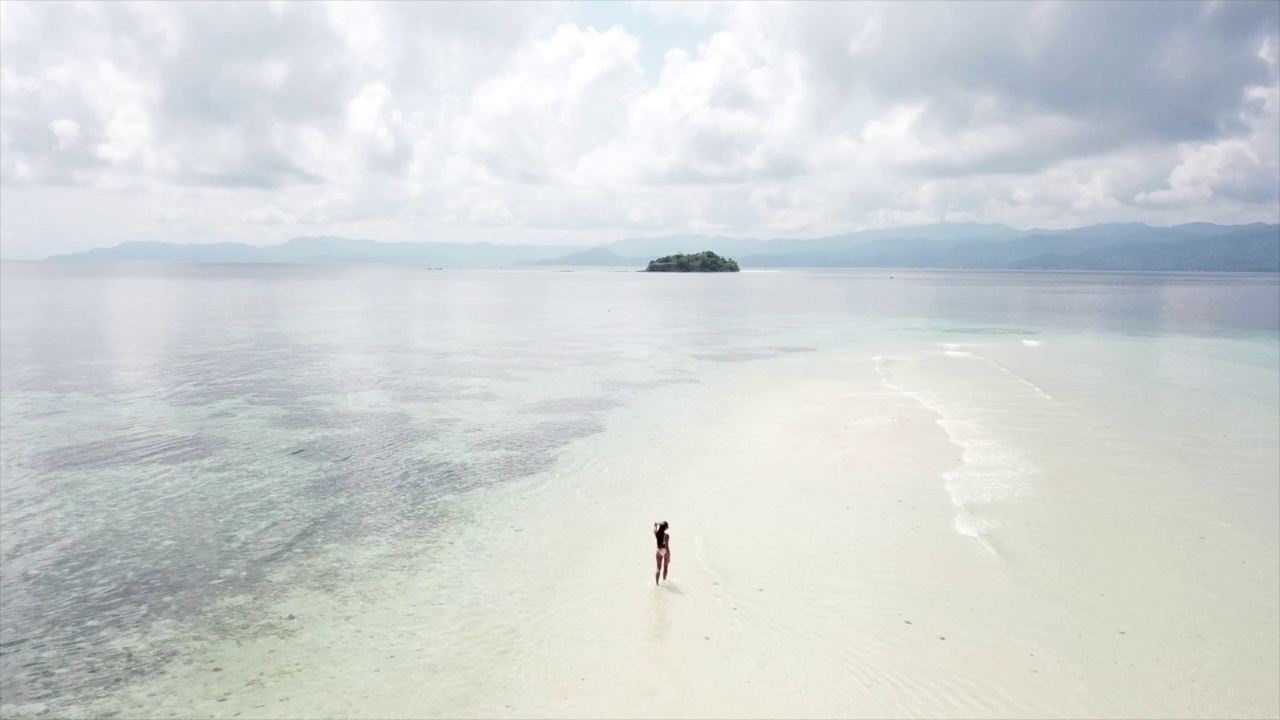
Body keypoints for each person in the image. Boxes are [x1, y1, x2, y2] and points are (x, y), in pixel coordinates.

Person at [654, 521, 671, 585]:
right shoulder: (667, 536)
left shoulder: (657, 534)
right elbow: (667, 546)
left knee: (658, 568)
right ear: (665, 528)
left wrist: (656, 524)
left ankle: (657, 584)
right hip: (666, 550)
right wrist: (669, 555)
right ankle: (664, 580)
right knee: (665, 567)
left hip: (659, 550)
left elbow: (655, 527)